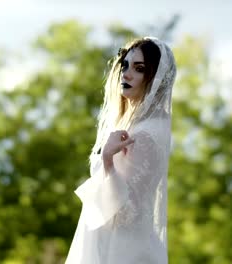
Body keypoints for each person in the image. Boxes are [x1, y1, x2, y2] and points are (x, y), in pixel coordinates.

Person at [65, 36, 177, 264]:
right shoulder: (137, 125)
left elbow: (129, 214)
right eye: (125, 65)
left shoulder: (147, 133)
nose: (126, 74)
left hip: (124, 252)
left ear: (156, 77)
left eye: (139, 68)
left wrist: (107, 160)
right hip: (110, 244)